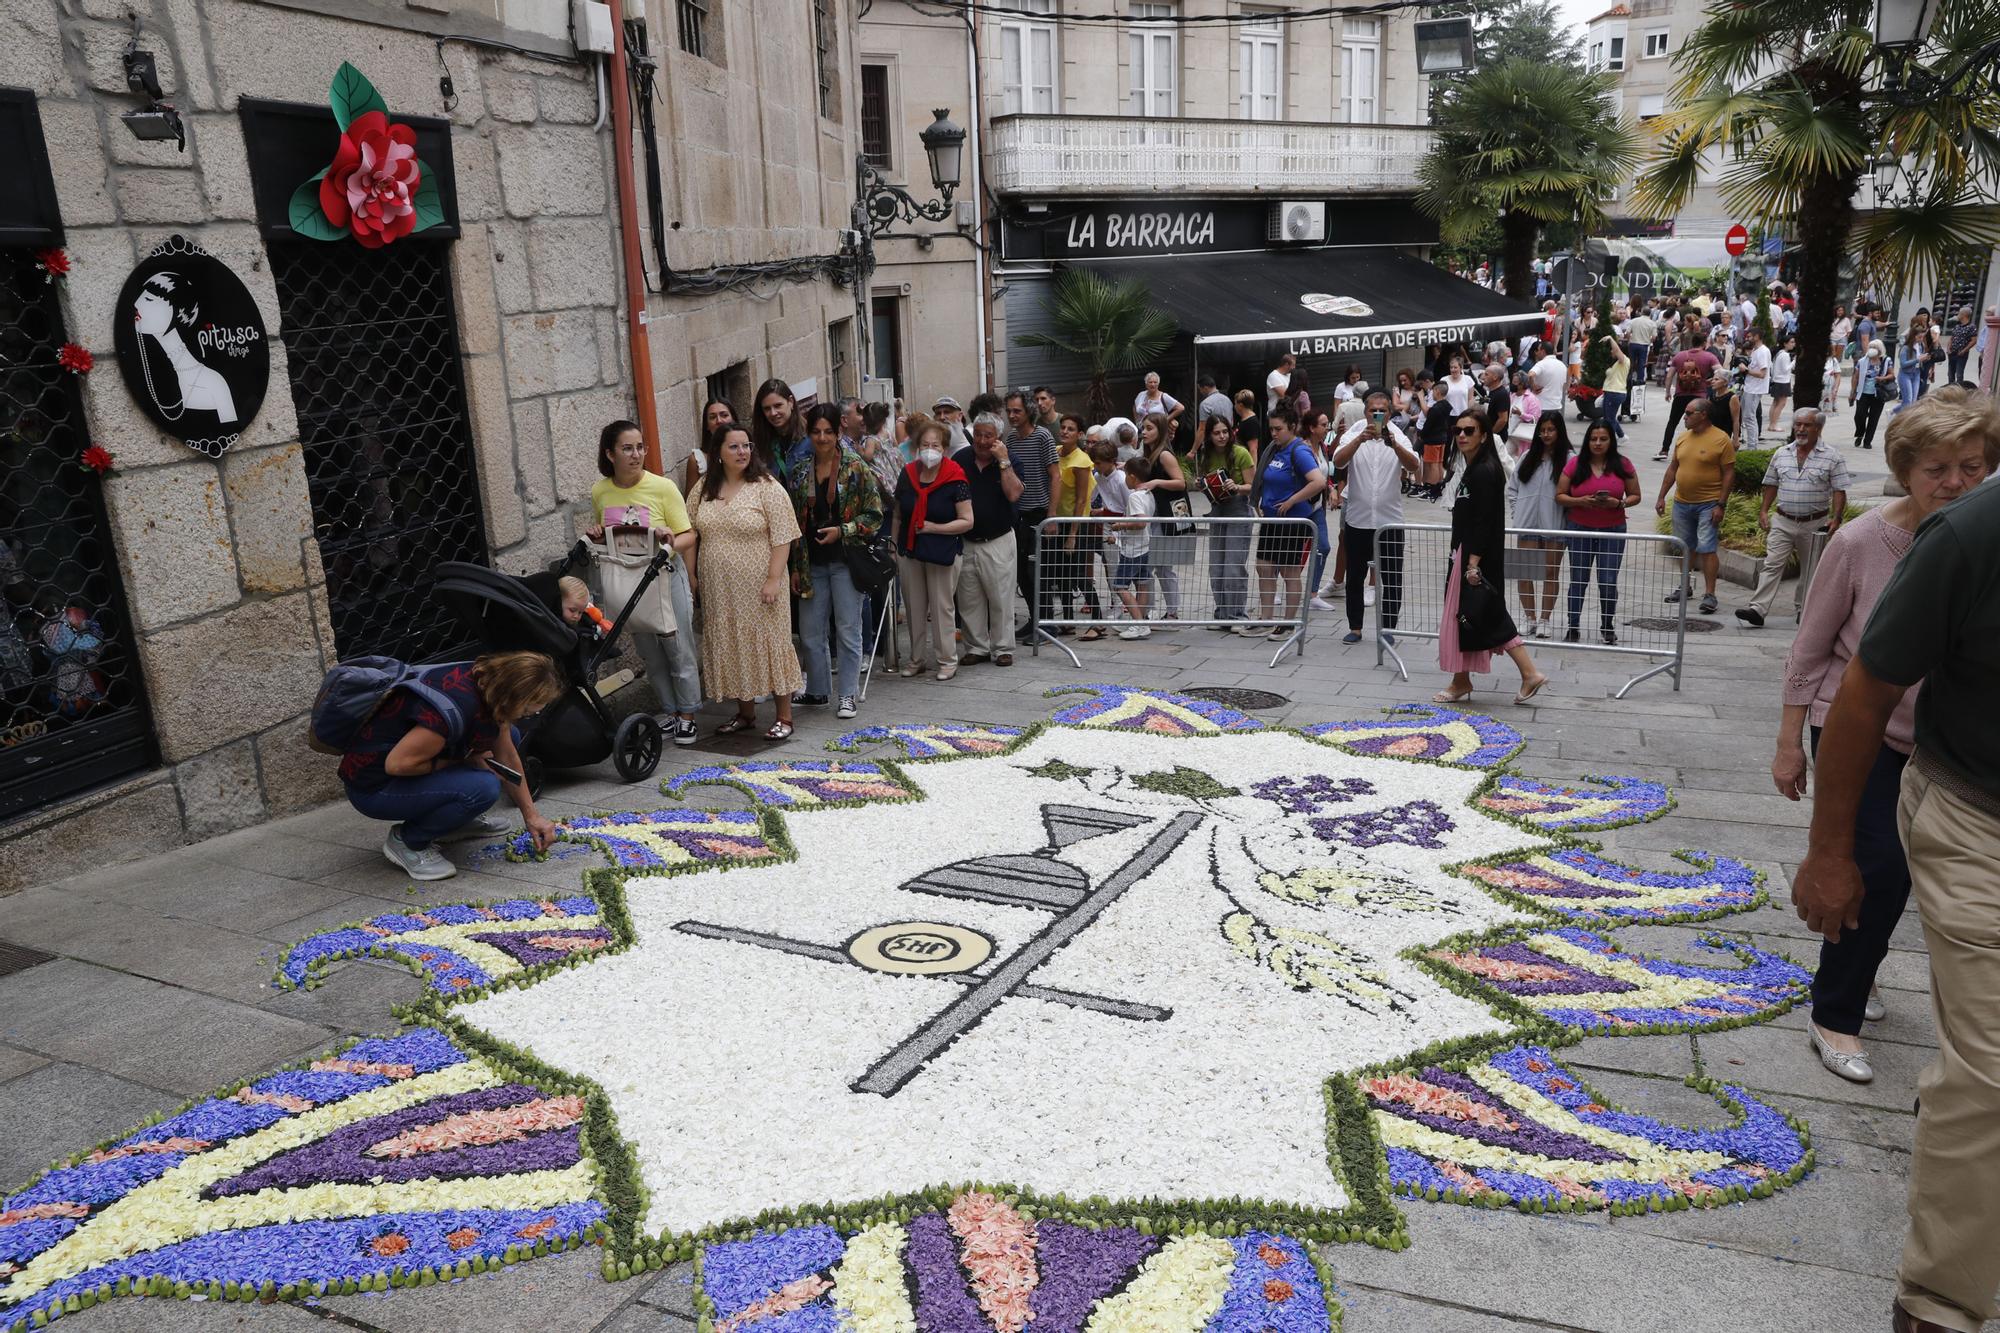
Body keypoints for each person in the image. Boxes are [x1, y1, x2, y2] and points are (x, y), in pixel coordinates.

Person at [1787, 391, 2000, 1333]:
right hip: (1878, 744)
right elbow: (1824, 652)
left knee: (1899, 890)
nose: (1955, 481)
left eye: (1971, 463)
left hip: (1933, 743)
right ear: (1905, 469)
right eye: (1938, 467)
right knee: (1866, 875)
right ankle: (1837, 1014)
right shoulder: (1882, 542)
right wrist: (1792, 743)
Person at [340, 651, 564, 880]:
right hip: (374, 788)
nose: (533, 714)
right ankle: (407, 841)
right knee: (483, 787)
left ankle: (455, 823)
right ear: (513, 696)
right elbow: (398, 765)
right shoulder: (455, 708)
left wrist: (532, 816)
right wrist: (465, 759)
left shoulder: (489, 682)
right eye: (529, 709)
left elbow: (506, 754)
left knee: (510, 739)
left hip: (406, 768)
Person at [586, 419, 703, 746]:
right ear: (610, 454)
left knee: (678, 649)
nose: (636, 454)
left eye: (640, 447)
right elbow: (606, 536)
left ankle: (688, 714)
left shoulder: (662, 487)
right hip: (630, 582)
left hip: (665, 579)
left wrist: (667, 544)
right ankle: (669, 711)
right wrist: (596, 533)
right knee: (650, 654)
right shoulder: (600, 491)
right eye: (627, 448)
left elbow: (689, 535)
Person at [689, 424, 801, 740]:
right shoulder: (703, 488)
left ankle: (784, 717)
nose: (742, 452)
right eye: (734, 447)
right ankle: (745, 713)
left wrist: (773, 579)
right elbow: (690, 531)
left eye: (746, 445)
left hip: (760, 584)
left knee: (770, 642)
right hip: (719, 587)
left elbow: (784, 537)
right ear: (718, 454)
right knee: (733, 642)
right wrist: (692, 575)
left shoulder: (766, 487)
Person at [1436, 410, 1548, 705]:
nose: (1461, 435)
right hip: (1468, 553)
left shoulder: (1484, 470)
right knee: (1474, 617)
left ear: (1484, 435)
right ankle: (1461, 680)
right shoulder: (1476, 467)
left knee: (1487, 616)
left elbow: (1484, 521)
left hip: (1475, 557)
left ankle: (1529, 673)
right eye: (1458, 430)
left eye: (1469, 430)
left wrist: (1472, 562)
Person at [788, 403, 883, 721]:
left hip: (846, 560)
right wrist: (795, 567)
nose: (822, 437)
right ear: (809, 433)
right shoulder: (801, 470)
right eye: (816, 432)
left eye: (828, 431)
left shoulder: (855, 467)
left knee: (847, 629)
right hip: (810, 562)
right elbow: (792, 523)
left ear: (838, 432)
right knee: (811, 632)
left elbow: (874, 515)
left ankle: (847, 695)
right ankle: (816, 690)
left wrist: (843, 530)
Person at [1737, 409, 1850, 628]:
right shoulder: (1782, 453)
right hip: (1783, 520)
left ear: (1818, 428)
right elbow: (1771, 483)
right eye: (1797, 424)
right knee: (1771, 564)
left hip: (1815, 523)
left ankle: (1803, 609)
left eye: (1806, 425)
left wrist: (1836, 519)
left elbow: (1839, 490)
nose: (1800, 429)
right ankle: (1757, 610)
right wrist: (1763, 511)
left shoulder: (1832, 456)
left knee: (1811, 570)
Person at [1330, 390, 1417, 646]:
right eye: (1373, 410)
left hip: (1389, 519)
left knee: (1391, 576)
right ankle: (1355, 627)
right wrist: (1359, 439)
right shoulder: (1355, 431)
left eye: (1383, 411)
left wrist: (1395, 444)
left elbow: (1414, 466)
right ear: (1366, 411)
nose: (1377, 414)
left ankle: (1388, 627)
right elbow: (1338, 461)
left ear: (1390, 413)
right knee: (1355, 575)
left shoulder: (1398, 435)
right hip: (1358, 517)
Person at [893, 420, 974, 680]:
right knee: (915, 607)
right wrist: (895, 548)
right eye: (925, 445)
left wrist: (932, 527)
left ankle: (947, 660)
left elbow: (967, 520)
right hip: (911, 551)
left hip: (943, 551)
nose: (930, 450)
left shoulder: (955, 476)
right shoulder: (907, 474)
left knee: (941, 608)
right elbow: (897, 515)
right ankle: (916, 659)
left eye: (935, 445)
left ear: (945, 448)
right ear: (917, 447)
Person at [1555, 419, 1640, 644]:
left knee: (1608, 580)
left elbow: (1635, 495)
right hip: (1579, 528)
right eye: (1593, 439)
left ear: (1611, 441)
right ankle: (1573, 626)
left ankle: (1607, 626)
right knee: (1578, 579)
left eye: (1603, 439)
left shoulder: (1623, 464)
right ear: (1587, 441)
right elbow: (1560, 495)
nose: (1598, 443)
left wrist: (1619, 504)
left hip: (1612, 530)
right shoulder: (1575, 464)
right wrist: (1580, 500)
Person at [1245, 404, 1325, 640]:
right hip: (1272, 519)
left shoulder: (1298, 451)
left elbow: (1318, 481)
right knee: (1264, 567)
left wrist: (1291, 501)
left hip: (1292, 521)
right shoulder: (1274, 449)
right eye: (1271, 429)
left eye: (1278, 429)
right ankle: (1266, 619)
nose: (1273, 433)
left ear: (1292, 427)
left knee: (1290, 573)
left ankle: (1290, 623)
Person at [953, 413, 1023, 666]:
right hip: (967, 539)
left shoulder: (1010, 460)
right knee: (969, 598)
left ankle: (1003, 647)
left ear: (998, 439)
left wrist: (1003, 461)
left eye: (988, 436)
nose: (981, 441)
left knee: (1001, 597)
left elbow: (1014, 494)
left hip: (998, 539)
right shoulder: (960, 459)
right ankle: (976, 647)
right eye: (978, 435)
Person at [1656, 397, 1734, 616]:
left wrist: (1721, 504)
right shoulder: (1682, 438)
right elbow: (1673, 468)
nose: (1685, 417)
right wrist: (1662, 496)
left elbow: (1729, 473)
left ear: (1703, 415)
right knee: (1684, 546)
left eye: (1689, 413)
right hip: (1682, 502)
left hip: (1708, 504)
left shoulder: (1721, 439)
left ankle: (1710, 594)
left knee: (1707, 548)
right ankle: (1685, 586)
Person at [1508, 411, 1571, 638]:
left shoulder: (1569, 459)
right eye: (1542, 430)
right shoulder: (1527, 457)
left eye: (1551, 430)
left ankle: (1545, 619)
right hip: (1526, 526)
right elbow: (1512, 488)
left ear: (1559, 431)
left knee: (1550, 573)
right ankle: (1529, 617)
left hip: (1554, 526)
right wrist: (1518, 513)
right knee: (1524, 572)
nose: (1546, 434)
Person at [1001, 391, 1058, 627]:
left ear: (1028, 412)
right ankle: (1036, 622)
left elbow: (1056, 477)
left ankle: (1047, 625)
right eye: (1009, 411)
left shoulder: (1043, 436)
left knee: (1039, 573)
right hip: (1018, 514)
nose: (1012, 416)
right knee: (1022, 573)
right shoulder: (1011, 440)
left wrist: (1052, 516)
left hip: (1038, 513)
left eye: (1017, 411)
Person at [1193, 415, 1254, 626]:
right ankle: (1222, 613)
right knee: (1216, 567)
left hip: (1239, 510)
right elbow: (1207, 484)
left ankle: (1237, 615)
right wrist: (1202, 484)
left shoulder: (1241, 453)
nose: (1221, 436)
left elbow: (1253, 486)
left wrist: (1237, 487)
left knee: (1233, 567)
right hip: (1217, 510)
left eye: (1225, 432)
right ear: (1209, 435)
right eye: (1217, 432)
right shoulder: (1206, 455)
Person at [1133, 412, 1190, 622]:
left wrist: (1156, 482)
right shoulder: (1148, 452)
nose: (1144, 432)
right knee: (1149, 566)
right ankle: (1147, 611)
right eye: (1144, 428)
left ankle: (1172, 611)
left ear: (1160, 431)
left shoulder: (1164, 454)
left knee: (1163, 567)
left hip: (1167, 517)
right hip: (1156, 516)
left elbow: (1181, 482)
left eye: (1149, 428)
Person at [1047, 412, 1098, 633]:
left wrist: (1072, 535)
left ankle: (1098, 618)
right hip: (1057, 520)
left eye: (1070, 429)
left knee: (1077, 572)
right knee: (1061, 573)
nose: (1065, 432)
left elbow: (1081, 499)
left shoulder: (1082, 461)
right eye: (1063, 427)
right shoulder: (1057, 453)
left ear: (1079, 434)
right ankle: (1067, 619)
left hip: (1076, 522)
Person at [1080, 438, 1127, 642]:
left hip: (1123, 526)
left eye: (1099, 462)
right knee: (1112, 567)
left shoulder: (1121, 479)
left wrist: (1113, 521)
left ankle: (1135, 607)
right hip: (1108, 524)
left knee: (1130, 569)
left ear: (1111, 461)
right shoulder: (1099, 477)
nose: (1096, 467)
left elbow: (1128, 507)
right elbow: (1092, 496)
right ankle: (1117, 606)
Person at [1109, 457, 1158, 639]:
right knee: (1142, 584)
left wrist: (1120, 525)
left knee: (1120, 586)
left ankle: (1139, 623)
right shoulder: (1148, 494)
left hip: (1133, 550)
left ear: (1132, 477)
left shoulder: (1135, 496)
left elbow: (1141, 522)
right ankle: (1139, 620)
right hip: (1145, 546)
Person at [1657, 329, 1720, 460]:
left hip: (1681, 395)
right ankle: (1695, 450)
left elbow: (1669, 376)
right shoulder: (1709, 357)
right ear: (1704, 343)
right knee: (1699, 424)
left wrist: (1668, 391)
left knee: (1672, 422)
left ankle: (1664, 450)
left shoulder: (1679, 356)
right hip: (1699, 396)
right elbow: (1721, 372)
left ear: (1692, 342)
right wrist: (1712, 382)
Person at [752, 377, 809, 480]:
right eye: (767, 408)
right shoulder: (758, 443)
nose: (773, 413)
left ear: (790, 402)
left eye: (778, 406)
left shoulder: (810, 437)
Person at [688, 397, 735, 494]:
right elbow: (690, 502)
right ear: (707, 426)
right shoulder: (697, 460)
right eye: (713, 417)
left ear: (733, 419)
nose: (719, 421)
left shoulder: (745, 450)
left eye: (724, 415)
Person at [857, 399, 902, 500]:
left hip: (883, 472)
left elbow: (867, 457)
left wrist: (860, 450)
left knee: (887, 494)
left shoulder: (871, 440)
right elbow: (896, 448)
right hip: (895, 469)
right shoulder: (888, 433)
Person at [1854, 339, 1894, 450]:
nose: (1872, 350)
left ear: (1880, 350)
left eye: (1875, 348)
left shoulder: (1886, 361)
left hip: (1878, 393)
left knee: (1874, 418)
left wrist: (1882, 378)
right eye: (1871, 347)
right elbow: (1856, 376)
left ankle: (1868, 441)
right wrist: (1853, 392)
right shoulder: (1862, 361)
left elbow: (1892, 375)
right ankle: (1860, 433)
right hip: (1863, 392)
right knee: (1859, 415)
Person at [1595, 335, 1632, 443]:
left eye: (1613, 350)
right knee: (1609, 417)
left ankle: (1610, 440)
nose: (1612, 351)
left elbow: (1616, 350)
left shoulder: (1624, 360)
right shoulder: (1617, 363)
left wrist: (1611, 339)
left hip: (1615, 392)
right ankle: (1621, 436)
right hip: (1612, 392)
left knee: (1609, 419)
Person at [1739, 328, 1771, 448]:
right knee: (1747, 416)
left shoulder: (1763, 351)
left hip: (1755, 389)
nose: (1748, 338)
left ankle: (1752, 447)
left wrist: (1746, 370)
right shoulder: (1755, 350)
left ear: (1757, 337)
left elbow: (1762, 374)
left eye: (1750, 336)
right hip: (1749, 387)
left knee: (1749, 417)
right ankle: (1751, 445)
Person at [1529, 341, 1568, 419]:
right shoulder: (1562, 365)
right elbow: (1565, 384)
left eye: (1539, 350)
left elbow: (1530, 374)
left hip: (1542, 406)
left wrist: (1533, 386)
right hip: (1556, 405)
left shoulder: (1541, 364)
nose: (1537, 353)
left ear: (1543, 351)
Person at [1477, 362, 1512, 439]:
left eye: (1486, 374)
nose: (1483, 377)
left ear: (1495, 377)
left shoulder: (1501, 394)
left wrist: (1491, 434)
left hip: (1497, 437)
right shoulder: (1492, 392)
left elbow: (1503, 419)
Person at [1769, 334, 1795, 434]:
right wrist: (1793, 362)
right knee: (1781, 403)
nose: (1793, 344)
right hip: (1782, 381)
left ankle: (1772, 424)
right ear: (1785, 344)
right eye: (1791, 342)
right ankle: (1774, 424)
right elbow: (1786, 369)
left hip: (1777, 380)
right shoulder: (1784, 355)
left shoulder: (1779, 353)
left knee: (1776, 402)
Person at [1946, 306, 1976, 385]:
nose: (1958, 315)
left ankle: (1958, 391)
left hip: (1961, 355)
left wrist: (1964, 350)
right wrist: (1948, 348)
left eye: (1959, 313)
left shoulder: (1971, 327)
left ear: (1964, 314)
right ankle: (1950, 391)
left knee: (1959, 375)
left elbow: (1973, 341)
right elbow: (1951, 338)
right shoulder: (1957, 326)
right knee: (1950, 374)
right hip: (1952, 353)